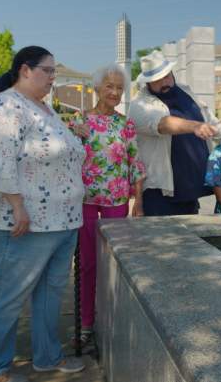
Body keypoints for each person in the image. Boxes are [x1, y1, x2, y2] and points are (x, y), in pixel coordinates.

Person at [0, 46, 85, 382]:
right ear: (25, 69)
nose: (53, 78)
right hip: (26, 222)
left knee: (51, 293)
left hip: (63, 220)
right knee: (8, 295)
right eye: (48, 71)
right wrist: (18, 206)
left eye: (54, 72)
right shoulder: (5, 107)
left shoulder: (45, 109)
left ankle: (47, 357)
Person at [69, 64, 146, 350]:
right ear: (97, 88)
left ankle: (113, 318)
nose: (114, 92)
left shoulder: (125, 124)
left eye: (119, 88)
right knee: (87, 264)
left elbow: (134, 162)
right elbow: (69, 161)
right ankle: (86, 323)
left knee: (114, 263)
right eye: (109, 86)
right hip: (86, 201)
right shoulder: (80, 120)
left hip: (116, 200)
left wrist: (138, 199)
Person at [128, 50, 221, 216]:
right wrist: (194, 126)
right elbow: (162, 124)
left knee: (189, 240)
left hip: (190, 190)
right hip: (160, 194)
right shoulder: (139, 105)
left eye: (166, 76)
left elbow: (209, 120)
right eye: (157, 80)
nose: (164, 82)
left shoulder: (185, 91)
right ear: (147, 83)